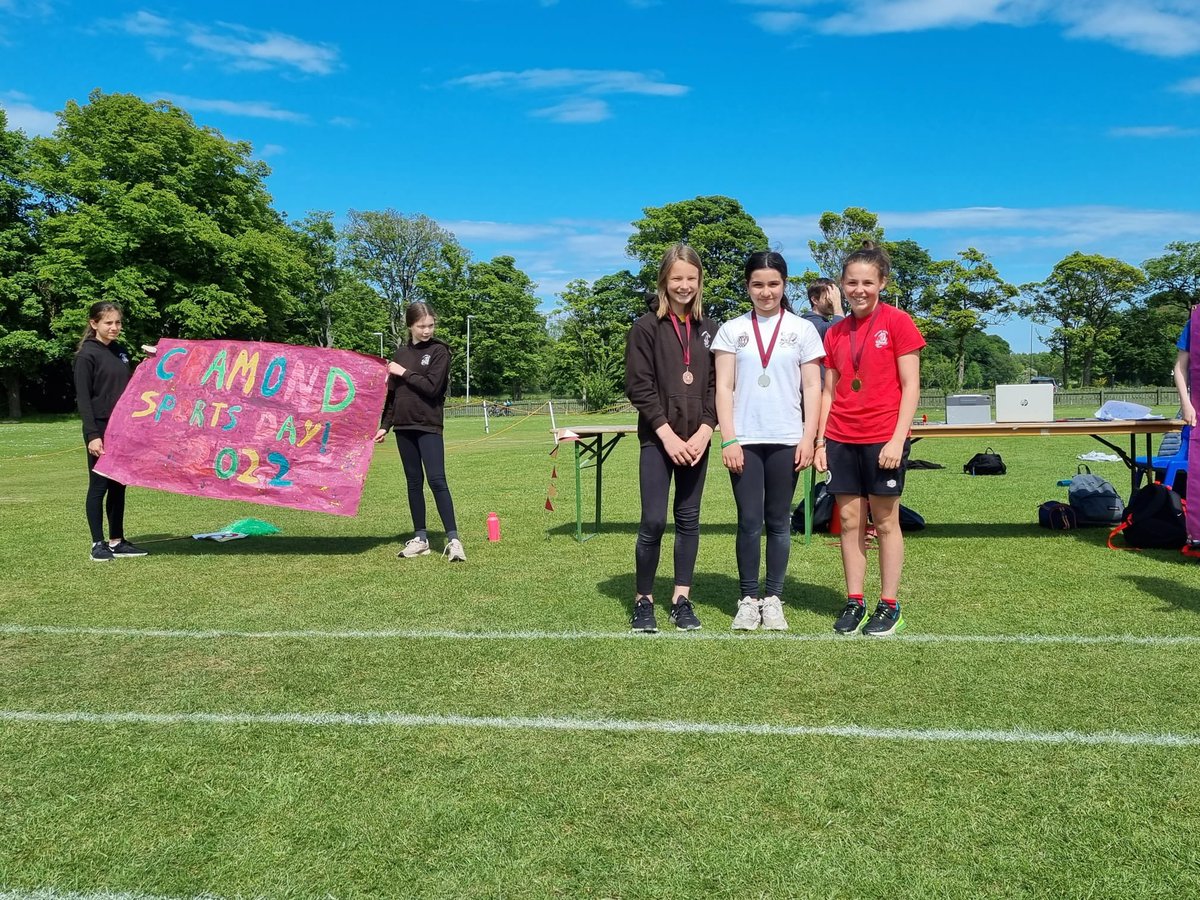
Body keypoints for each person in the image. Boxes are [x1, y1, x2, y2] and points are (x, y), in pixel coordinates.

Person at [815, 241, 925, 637]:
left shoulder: (898, 322)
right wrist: (820, 442)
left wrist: (898, 439)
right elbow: (829, 391)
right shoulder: (835, 331)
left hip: (883, 437)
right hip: (841, 436)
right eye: (851, 282)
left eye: (867, 282)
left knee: (884, 520)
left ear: (881, 283)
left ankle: (890, 604)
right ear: (841, 286)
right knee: (847, 521)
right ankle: (855, 600)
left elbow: (911, 386)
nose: (859, 289)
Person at [714, 251, 824, 631]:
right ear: (747, 286)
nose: (766, 292)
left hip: (787, 439)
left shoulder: (802, 329)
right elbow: (723, 387)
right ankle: (747, 599)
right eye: (758, 285)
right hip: (743, 439)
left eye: (773, 284)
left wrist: (810, 437)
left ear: (784, 285)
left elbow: (813, 385)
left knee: (778, 521)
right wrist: (729, 439)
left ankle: (773, 599)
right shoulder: (731, 329)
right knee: (748, 521)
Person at [625, 243, 718, 632]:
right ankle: (643, 600)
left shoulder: (711, 329)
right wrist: (666, 434)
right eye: (677, 278)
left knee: (689, 519)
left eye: (691, 278)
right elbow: (639, 385)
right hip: (658, 440)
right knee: (652, 520)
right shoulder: (645, 327)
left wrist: (705, 429)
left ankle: (681, 598)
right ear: (664, 279)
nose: (684, 285)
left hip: (697, 440)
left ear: (699, 282)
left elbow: (718, 386)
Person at [374, 302, 465, 562]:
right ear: (410, 326)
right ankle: (420, 538)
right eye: (421, 326)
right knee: (414, 483)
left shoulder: (440, 351)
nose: (427, 330)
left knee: (437, 481)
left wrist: (403, 372)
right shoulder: (400, 353)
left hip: (428, 425)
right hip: (404, 427)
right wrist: (384, 426)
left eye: (431, 325)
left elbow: (432, 388)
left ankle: (454, 540)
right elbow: (392, 397)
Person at [73, 301, 148, 562]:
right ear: (94, 324)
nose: (114, 327)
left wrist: (151, 361)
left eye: (117, 322)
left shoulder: (120, 351)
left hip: (122, 427)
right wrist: (93, 435)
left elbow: (129, 385)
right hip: (101, 428)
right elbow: (83, 399)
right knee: (99, 485)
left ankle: (117, 541)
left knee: (119, 485)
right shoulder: (87, 355)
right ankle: (98, 544)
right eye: (108, 323)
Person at [800, 277, 844, 341]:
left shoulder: (821, 322)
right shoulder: (811, 323)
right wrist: (837, 304)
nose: (832, 301)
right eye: (828, 298)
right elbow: (839, 333)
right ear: (815, 300)